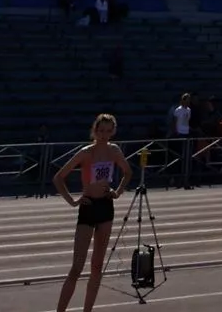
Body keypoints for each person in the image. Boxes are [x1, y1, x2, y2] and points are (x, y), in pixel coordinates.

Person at [53, 113, 132, 312]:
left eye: (108, 131)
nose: (104, 135)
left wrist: (118, 191)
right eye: (101, 131)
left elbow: (128, 172)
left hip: (105, 207)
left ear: (112, 132)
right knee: (76, 268)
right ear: (94, 130)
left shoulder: (114, 151)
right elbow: (59, 178)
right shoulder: (85, 153)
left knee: (97, 267)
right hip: (88, 208)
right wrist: (73, 201)